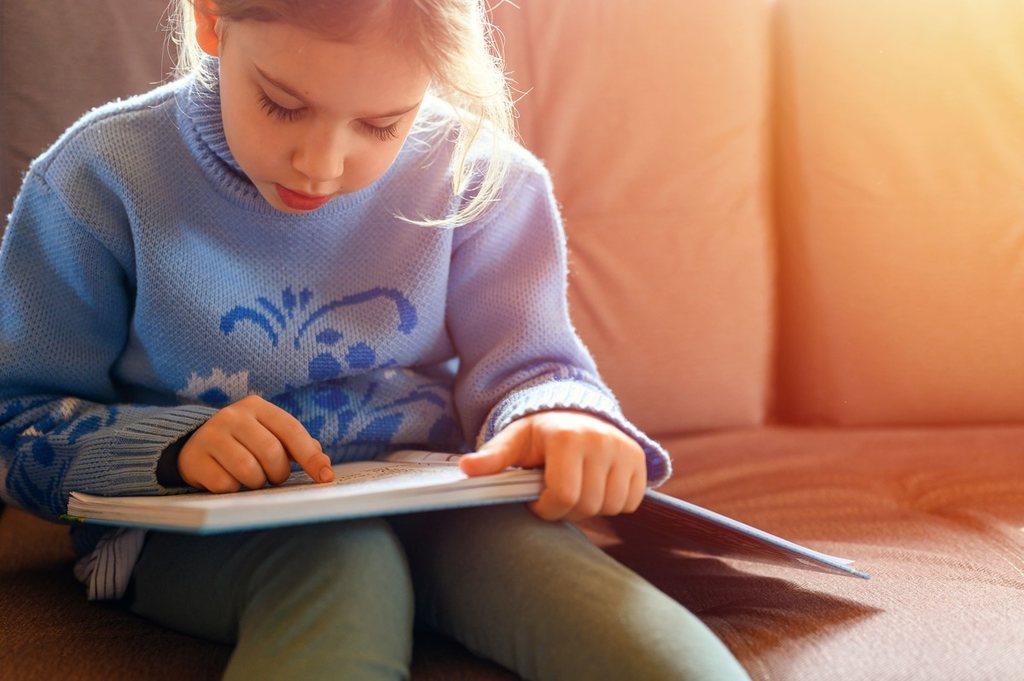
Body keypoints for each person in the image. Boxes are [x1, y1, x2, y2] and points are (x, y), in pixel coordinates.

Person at [0, 1, 750, 679]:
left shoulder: (480, 178)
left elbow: (535, 365)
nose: (322, 165)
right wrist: (171, 445)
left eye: (382, 125)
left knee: (621, 627)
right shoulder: (96, 180)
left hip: (441, 501)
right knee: (344, 567)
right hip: (191, 528)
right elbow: (15, 423)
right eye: (281, 104)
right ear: (210, 21)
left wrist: (560, 416)